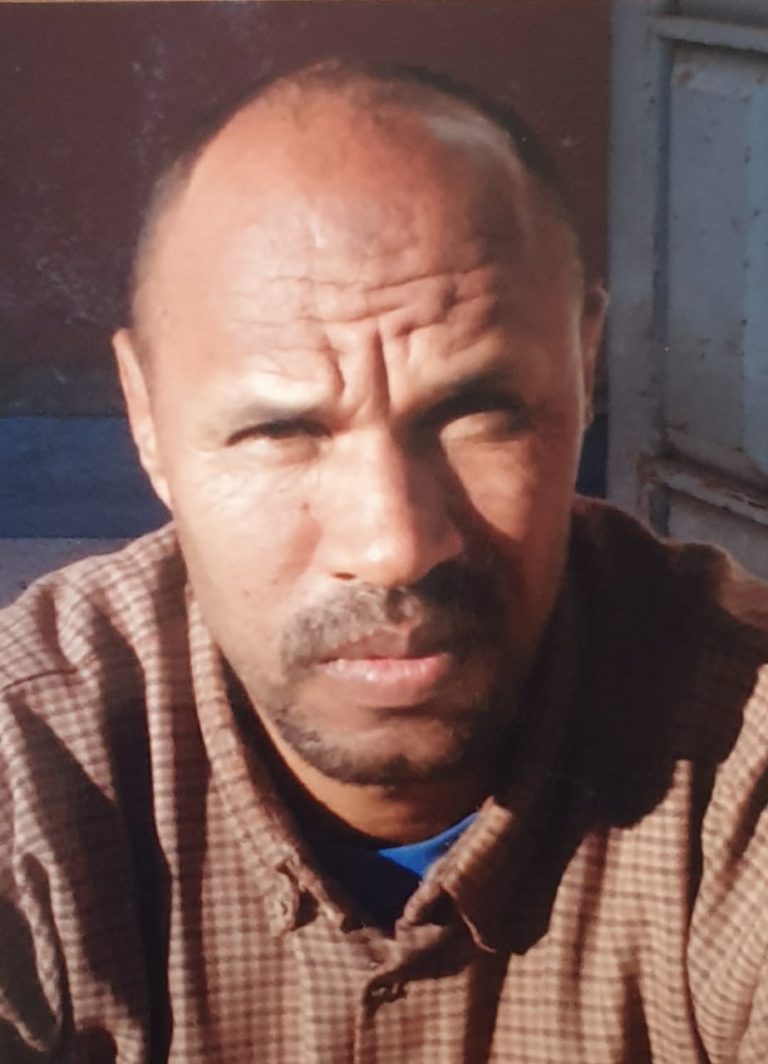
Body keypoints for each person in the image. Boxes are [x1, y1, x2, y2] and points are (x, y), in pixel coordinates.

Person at [2, 59, 768, 1064]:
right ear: (147, 419)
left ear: (585, 370)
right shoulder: (36, 755)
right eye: (280, 432)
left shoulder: (735, 744)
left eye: (479, 413)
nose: (394, 545)